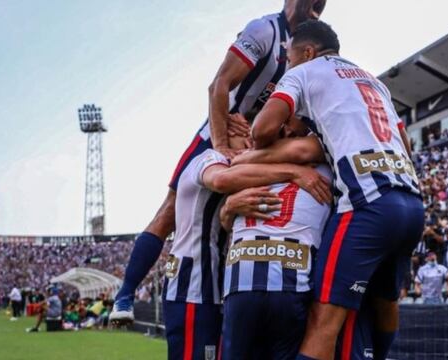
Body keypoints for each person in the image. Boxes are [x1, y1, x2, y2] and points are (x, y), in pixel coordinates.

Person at [110, 0, 328, 324]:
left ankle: (230, 301)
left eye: (321, 5)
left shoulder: (306, 54)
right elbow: (218, 86)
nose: (314, 7)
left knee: (233, 222)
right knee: (172, 210)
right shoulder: (264, 30)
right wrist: (222, 143)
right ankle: (125, 294)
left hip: (260, 143)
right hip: (219, 134)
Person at [251, 20, 423, 360]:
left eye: (289, 57)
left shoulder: (304, 72)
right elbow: (405, 143)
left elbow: (262, 129)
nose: (287, 64)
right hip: (411, 203)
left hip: (367, 204)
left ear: (308, 51)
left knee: (323, 321)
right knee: (386, 302)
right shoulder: (373, 81)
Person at [219, 153, 332, 358]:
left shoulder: (247, 170)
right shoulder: (324, 167)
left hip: (243, 283)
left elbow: (228, 174)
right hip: (286, 283)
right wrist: (227, 209)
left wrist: (227, 209)